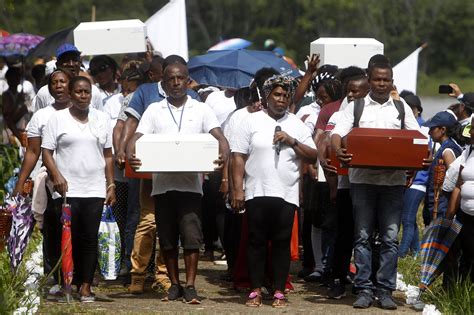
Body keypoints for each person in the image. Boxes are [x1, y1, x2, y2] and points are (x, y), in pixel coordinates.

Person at [127, 62, 229, 304]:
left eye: (180, 78)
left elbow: (219, 137)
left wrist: (223, 152)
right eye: (171, 79)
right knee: (167, 237)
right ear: (163, 82)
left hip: (191, 186)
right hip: (161, 185)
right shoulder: (154, 109)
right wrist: (130, 152)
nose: (176, 83)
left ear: (187, 80)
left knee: (192, 238)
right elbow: (137, 137)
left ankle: (191, 285)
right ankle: (174, 285)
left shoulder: (201, 109)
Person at [331, 60, 420, 310]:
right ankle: (363, 289)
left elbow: (418, 137)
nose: (382, 84)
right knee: (362, 237)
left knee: (391, 238)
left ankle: (385, 290)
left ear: (392, 81)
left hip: (393, 183)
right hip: (362, 182)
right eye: (378, 79)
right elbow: (336, 133)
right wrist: (338, 150)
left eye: (386, 79)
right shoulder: (355, 106)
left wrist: (422, 157)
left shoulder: (401, 108)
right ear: (369, 79)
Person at [231, 74, 317, 308]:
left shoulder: (296, 124)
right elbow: (238, 156)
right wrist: (237, 189)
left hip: (286, 192)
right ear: (267, 96)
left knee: (281, 242)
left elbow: (313, 154)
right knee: (256, 241)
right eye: (276, 95)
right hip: (257, 190)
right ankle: (256, 289)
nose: (281, 99)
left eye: (285, 95)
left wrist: (292, 141)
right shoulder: (250, 121)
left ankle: (278, 290)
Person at [41, 76, 116, 302]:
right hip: (67, 190)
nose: (83, 96)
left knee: (90, 238)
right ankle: (67, 283)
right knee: (67, 238)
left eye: (87, 92)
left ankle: (85, 285)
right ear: (71, 94)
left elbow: (108, 155)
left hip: (94, 189)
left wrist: (110, 184)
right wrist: (57, 176)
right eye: (79, 92)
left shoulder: (101, 119)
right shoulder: (58, 119)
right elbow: (47, 152)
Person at [398, 94, 429, 257]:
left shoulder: (422, 128)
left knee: (407, 219)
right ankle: (416, 251)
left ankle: (401, 254)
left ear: (417, 110)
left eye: (411, 108)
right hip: (408, 180)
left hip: (417, 181)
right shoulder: (406, 126)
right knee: (410, 219)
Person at [32, 44, 103, 112]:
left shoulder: (93, 91)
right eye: (66, 60)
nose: (71, 64)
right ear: (57, 65)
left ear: (80, 63)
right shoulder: (44, 92)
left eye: (74, 60)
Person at [446, 115, 474, 283]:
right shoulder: (469, 151)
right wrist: (450, 214)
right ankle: (461, 296)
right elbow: (458, 184)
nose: (470, 132)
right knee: (465, 257)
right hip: (465, 215)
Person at [422, 111, 463, 223]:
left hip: (441, 207)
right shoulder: (446, 147)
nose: (429, 132)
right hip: (438, 205)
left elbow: (454, 178)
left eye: (432, 129)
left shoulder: (447, 151)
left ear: (443, 130)